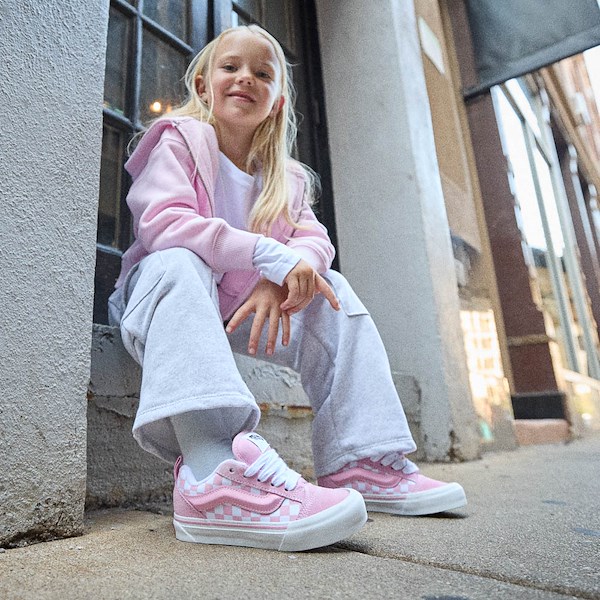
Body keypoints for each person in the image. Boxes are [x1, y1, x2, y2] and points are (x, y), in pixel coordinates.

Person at [108, 24, 467, 553]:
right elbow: (164, 224)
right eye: (230, 67)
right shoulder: (179, 141)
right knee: (180, 261)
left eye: (262, 73)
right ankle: (212, 473)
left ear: (276, 102)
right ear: (204, 87)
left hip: (242, 315)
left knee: (333, 292)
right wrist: (267, 256)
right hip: (166, 303)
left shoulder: (288, 179)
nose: (245, 78)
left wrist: (280, 282)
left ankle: (360, 461)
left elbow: (315, 244)